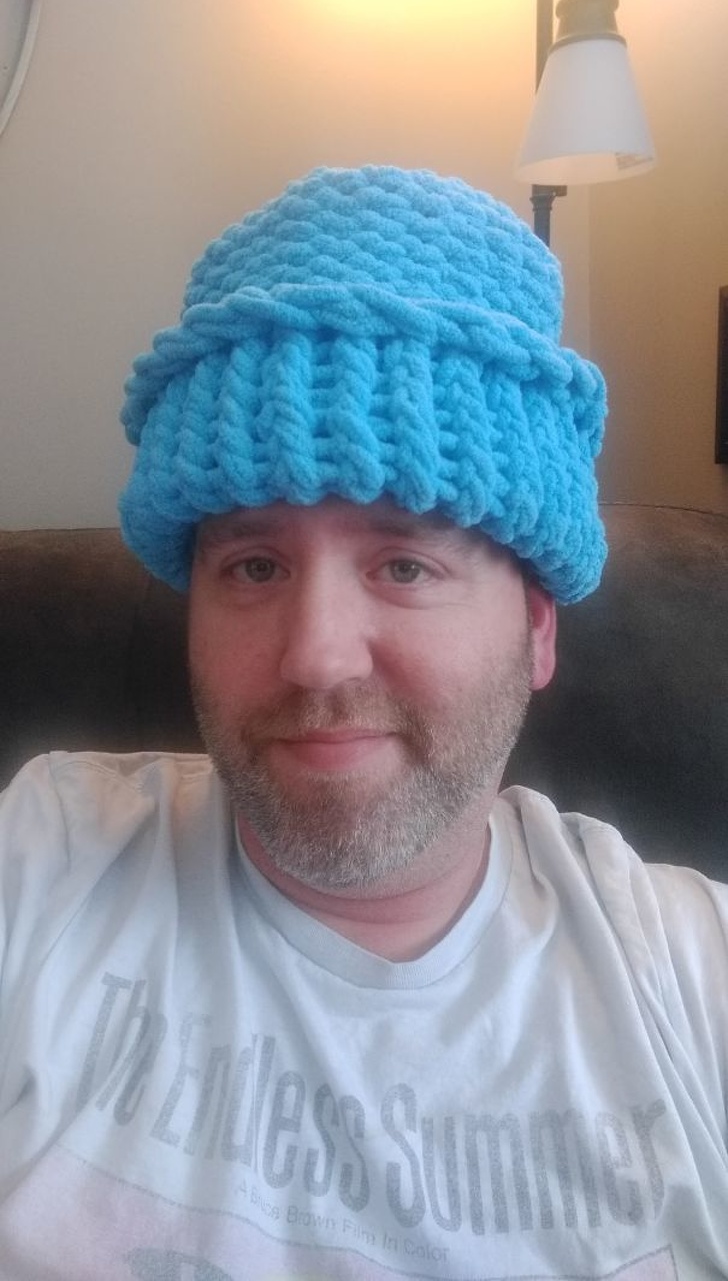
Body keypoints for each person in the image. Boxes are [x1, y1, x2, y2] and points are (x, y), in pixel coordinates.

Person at [0, 166, 726, 1280]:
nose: (315, 655)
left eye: (404, 564)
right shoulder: (42, 865)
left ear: (536, 630)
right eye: (254, 565)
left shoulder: (690, 976)